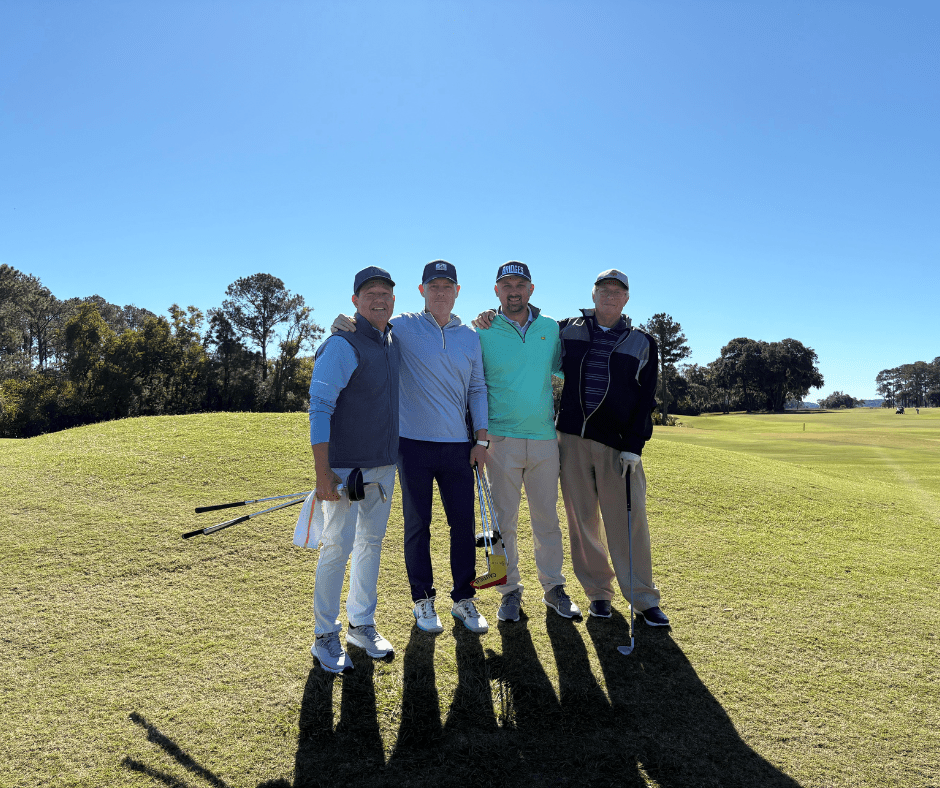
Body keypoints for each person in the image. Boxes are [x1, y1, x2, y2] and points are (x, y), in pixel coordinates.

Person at [331, 261, 490, 635]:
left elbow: (477, 389)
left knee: (462, 525)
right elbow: (370, 323)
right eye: (433, 286)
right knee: (418, 525)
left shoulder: (470, 336)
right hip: (412, 445)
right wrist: (343, 322)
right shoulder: (402, 326)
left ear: (457, 291)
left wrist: (481, 439)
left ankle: (464, 599)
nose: (440, 293)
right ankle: (423, 599)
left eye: (446, 286)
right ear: (422, 291)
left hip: (458, 447)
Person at [555, 269, 669, 627]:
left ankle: (643, 598)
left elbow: (645, 399)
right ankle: (598, 594)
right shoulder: (565, 330)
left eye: (617, 291)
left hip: (617, 447)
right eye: (604, 289)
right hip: (571, 440)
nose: (610, 295)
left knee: (628, 523)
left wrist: (635, 446)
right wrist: (494, 316)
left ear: (626, 299)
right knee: (582, 521)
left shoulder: (642, 342)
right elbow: (525, 331)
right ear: (593, 295)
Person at [473, 261, 580, 623]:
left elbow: (565, 367)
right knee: (504, 522)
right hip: (501, 440)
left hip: (544, 438)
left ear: (531, 289)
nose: (514, 290)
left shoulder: (550, 328)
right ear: (496, 291)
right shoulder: (482, 330)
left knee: (546, 519)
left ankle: (553, 588)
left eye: (520, 284)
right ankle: (509, 591)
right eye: (507, 285)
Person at [307, 266, 400, 674]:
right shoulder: (342, 343)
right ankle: (324, 635)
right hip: (344, 470)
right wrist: (322, 473)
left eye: (385, 294)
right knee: (336, 548)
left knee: (370, 544)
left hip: (383, 466)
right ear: (355, 302)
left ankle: (361, 623)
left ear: (394, 301)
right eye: (370, 294)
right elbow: (319, 407)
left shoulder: (393, 340)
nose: (378, 300)